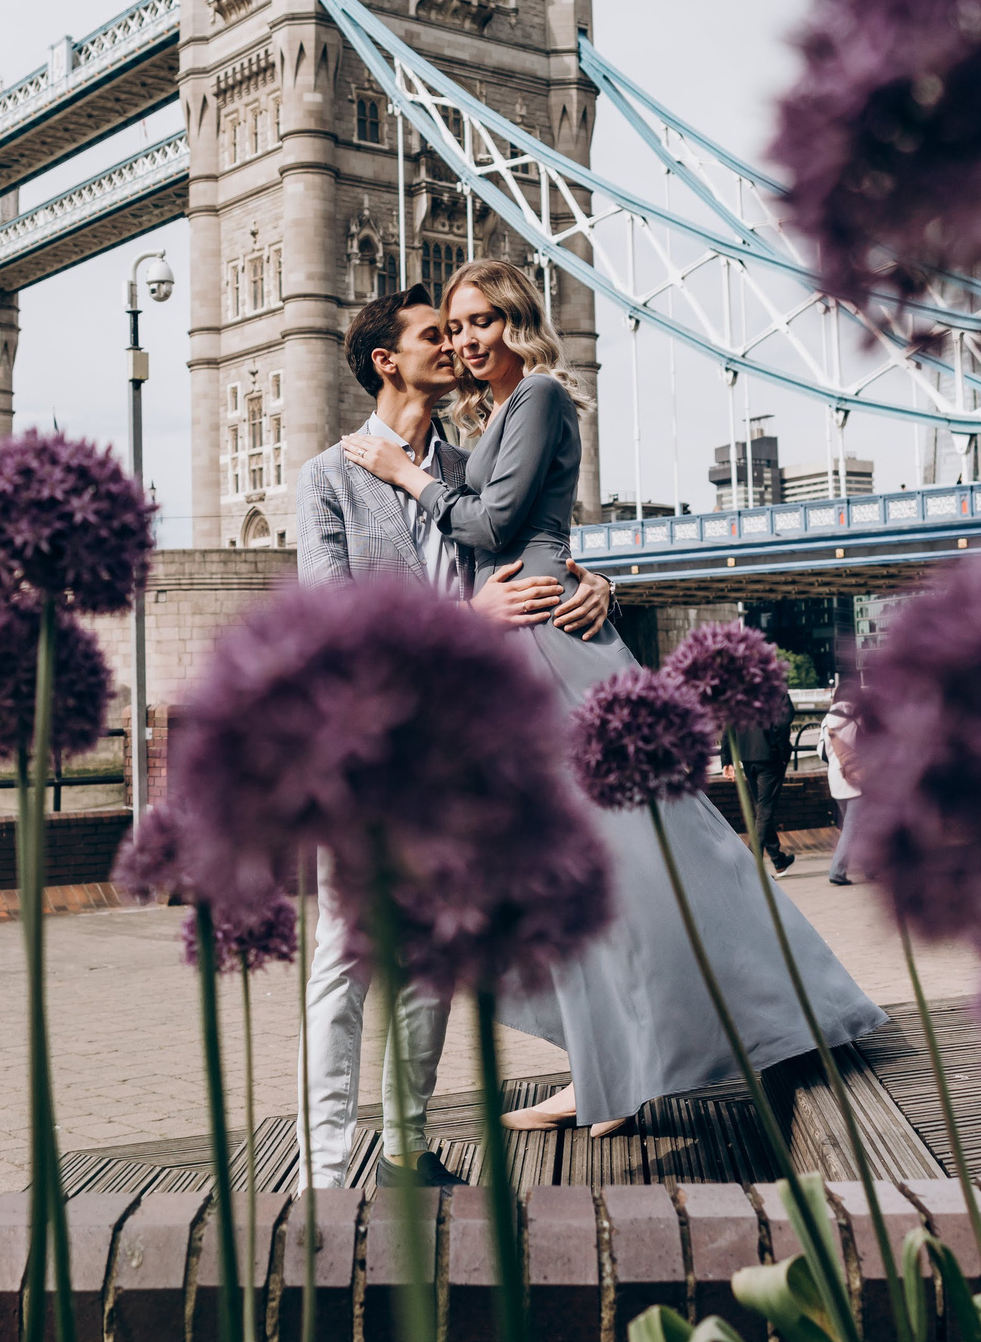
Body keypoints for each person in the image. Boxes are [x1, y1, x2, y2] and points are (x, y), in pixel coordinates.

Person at [343, 258, 886, 1137]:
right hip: (527, 643)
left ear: (516, 318)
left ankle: (706, 1041)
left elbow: (491, 527)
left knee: (647, 848)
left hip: (551, 647)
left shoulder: (543, 395)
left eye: (480, 321)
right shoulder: (500, 417)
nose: (466, 340)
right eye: (452, 327)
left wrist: (411, 480)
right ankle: (611, 1069)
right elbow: (519, 532)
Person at [294, 283, 616, 1190]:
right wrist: (467, 616)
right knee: (344, 961)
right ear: (387, 362)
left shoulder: (471, 467)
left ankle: (405, 1149)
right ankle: (322, 1168)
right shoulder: (327, 477)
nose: (461, 345)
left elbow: (543, 550)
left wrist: (600, 590)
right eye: (437, 334)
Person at [731, 678, 798, 876]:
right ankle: (751, 864)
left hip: (747, 755)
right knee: (764, 810)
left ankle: (778, 859)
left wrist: (728, 757)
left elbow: (730, 724)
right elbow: (783, 721)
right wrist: (783, 752)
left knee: (761, 808)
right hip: (770, 757)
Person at [815, 693, 862, 886]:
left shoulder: (827, 721)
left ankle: (869, 865)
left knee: (853, 825)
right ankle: (837, 870)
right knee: (852, 827)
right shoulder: (859, 719)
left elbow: (820, 752)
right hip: (857, 778)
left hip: (835, 778)